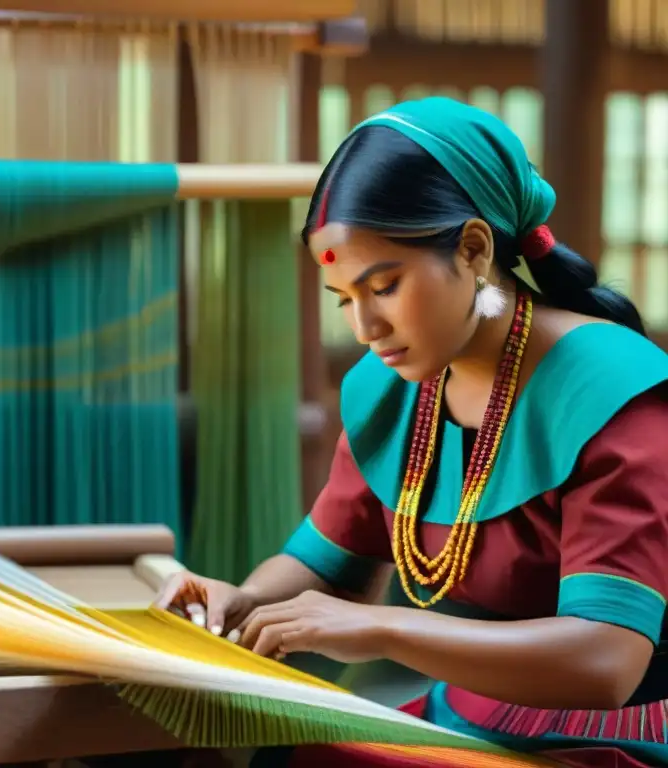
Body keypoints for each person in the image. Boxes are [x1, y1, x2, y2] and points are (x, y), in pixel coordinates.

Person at [154, 97, 668, 768]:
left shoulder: (612, 391)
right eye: (345, 298)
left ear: (474, 249)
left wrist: (381, 627)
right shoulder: (397, 387)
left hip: (614, 737)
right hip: (468, 719)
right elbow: (329, 565)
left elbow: (607, 661)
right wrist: (239, 600)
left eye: (385, 285)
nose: (364, 327)